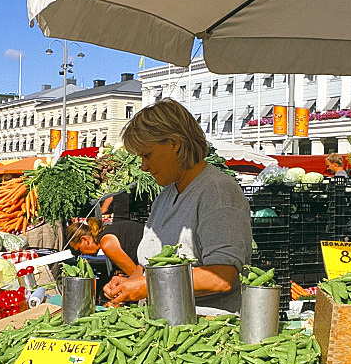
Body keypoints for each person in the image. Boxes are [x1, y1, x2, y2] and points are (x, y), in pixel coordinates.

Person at [102, 99, 252, 312]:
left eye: (147, 155)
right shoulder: (166, 195)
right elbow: (148, 266)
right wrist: (128, 282)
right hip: (162, 324)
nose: (144, 167)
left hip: (205, 331)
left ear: (174, 144)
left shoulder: (217, 192)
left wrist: (147, 286)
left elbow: (222, 276)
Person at [67, 217, 145, 278]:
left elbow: (136, 276)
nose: (82, 254)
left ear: (84, 240)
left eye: (79, 250)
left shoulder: (107, 244)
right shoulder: (109, 233)